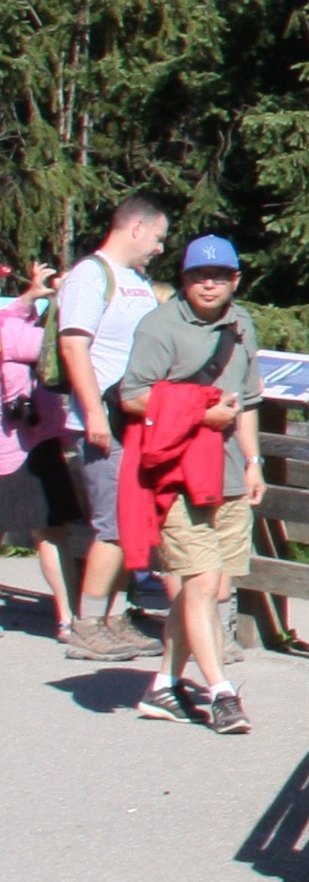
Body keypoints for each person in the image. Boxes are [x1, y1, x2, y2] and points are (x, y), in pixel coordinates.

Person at [116, 235, 262, 734]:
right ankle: (222, 693)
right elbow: (132, 396)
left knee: (216, 588)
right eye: (200, 276)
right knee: (198, 583)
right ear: (184, 280)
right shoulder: (159, 328)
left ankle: (162, 687)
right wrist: (200, 412)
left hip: (228, 477)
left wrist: (253, 460)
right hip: (177, 476)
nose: (209, 284)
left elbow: (247, 401)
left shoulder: (242, 325)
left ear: (234, 280)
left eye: (220, 275)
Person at [52, 196, 168, 661]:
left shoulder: (136, 281)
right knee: (113, 525)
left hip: (135, 420)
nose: (160, 248)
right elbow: (74, 348)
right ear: (136, 228)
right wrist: (93, 414)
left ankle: (113, 617)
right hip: (103, 423)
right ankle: (86, 625)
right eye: (159, 237)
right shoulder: (89, 276)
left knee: (130, 522)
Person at [2, 257, 67, 641]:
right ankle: (69, 617)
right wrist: (67, 301)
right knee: (48, 532)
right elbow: (52, 346)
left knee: (50, 532)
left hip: (30, 441)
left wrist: (31, 297)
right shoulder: (11, 333)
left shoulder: (11, 321)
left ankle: (70, 616)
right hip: (21, 448)